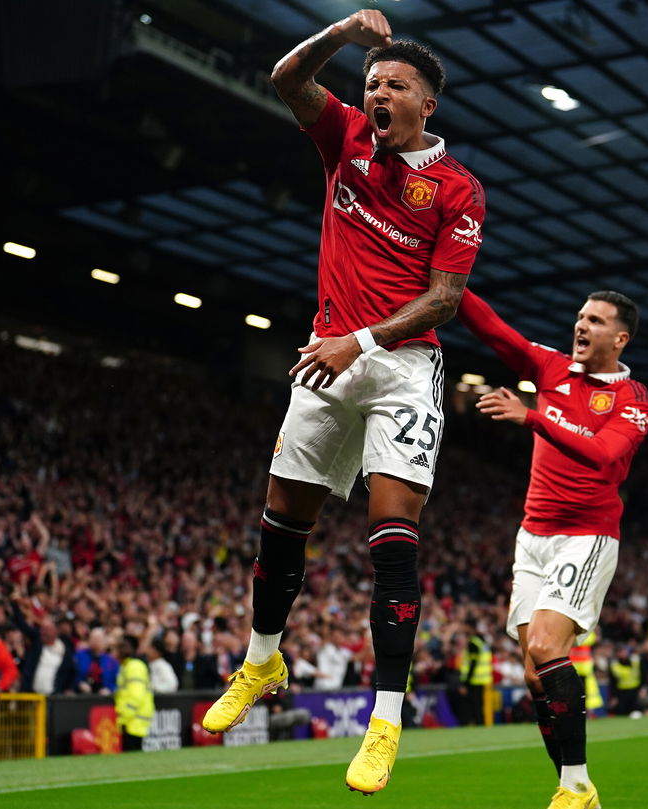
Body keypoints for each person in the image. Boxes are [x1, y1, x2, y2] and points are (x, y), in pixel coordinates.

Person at [201, 8, 485, 797]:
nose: (376, 92)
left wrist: (357, 343)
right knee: (281, 522)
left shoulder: (457, 189)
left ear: (427, 104)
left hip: (397, 367)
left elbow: (444, 300)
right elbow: (286, 80)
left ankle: (385, 717)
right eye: (371, 82)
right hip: (326, 358)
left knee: (391, 539)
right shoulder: (348, 138)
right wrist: (338, 36)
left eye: (394, 84)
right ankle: (261, 660)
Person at [456, 287, 648, 809]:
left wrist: (534, 419)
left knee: (546, 649)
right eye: (580, 317)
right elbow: (495, 331)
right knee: (535, 676)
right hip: (533, 537)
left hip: (586, 535)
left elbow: (606, 459)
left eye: (595, 320)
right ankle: (575, 789)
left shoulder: (634, 400)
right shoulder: (551, 367)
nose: (581, 326)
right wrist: (447, 281)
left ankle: (575, 785)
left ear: (620, 337)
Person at [115, 637, 154, 752]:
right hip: (133, 720)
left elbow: (136, 694)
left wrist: (125, 716)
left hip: (133, 721)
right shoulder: (129, 666)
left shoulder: (133, 666)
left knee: (132, 755)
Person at [74, 627, 118, 695]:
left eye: (99, 639)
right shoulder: (79, 655)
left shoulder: (112, 661)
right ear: (89, 640)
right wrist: (79, 682)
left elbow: (117, 681)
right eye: (94, 639)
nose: (96, 642)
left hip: (104, 698)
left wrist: (110, 689)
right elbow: (71, 674)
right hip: (81, 695)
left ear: (104, 641)